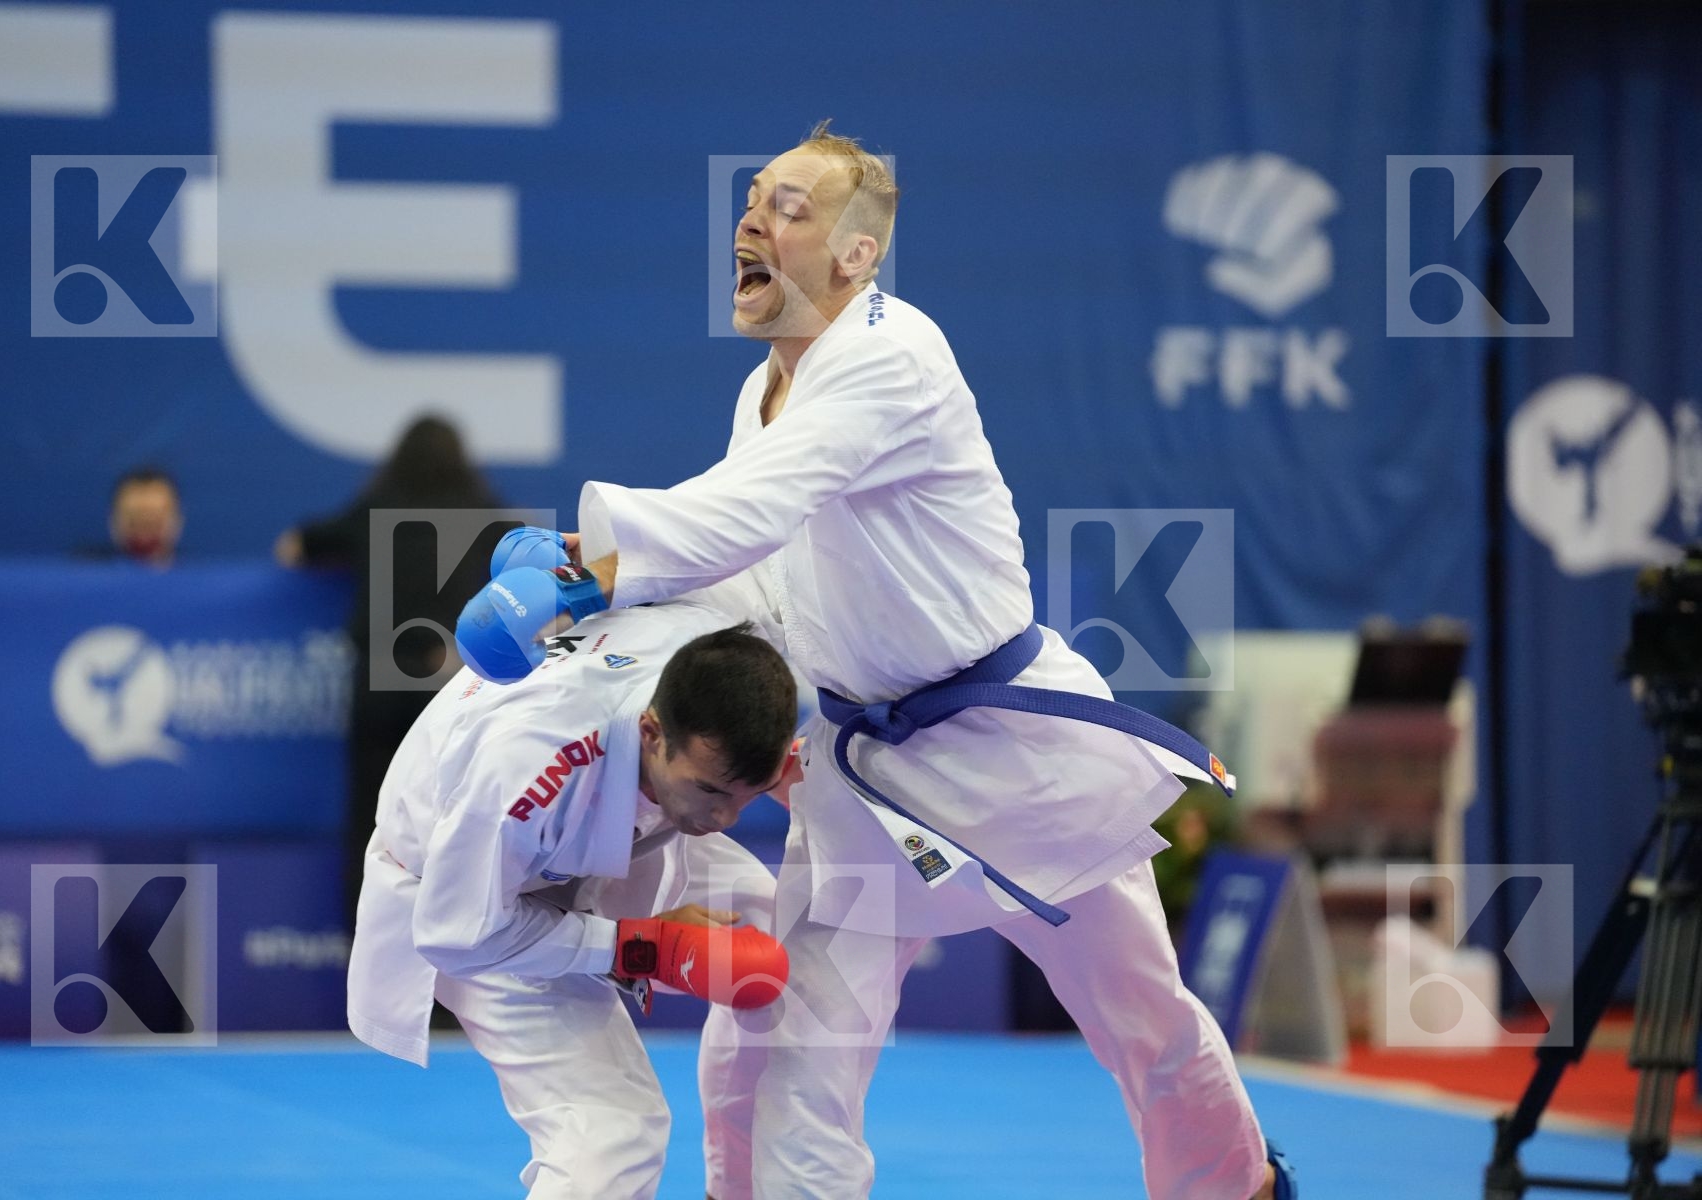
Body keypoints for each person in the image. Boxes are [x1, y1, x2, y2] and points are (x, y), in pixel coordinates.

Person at [461, 123, 1295, 1199]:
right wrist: (598, 601)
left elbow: (741, 511)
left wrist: (587, 567)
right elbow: (754, 569)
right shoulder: (763, 391)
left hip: (1012, 751)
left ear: (857, 255)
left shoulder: (892, 353)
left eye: (791, 207)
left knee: (1146, 1023)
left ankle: (1238, 1190)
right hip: (871, 777)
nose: (752, 220)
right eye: (753, 198)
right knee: (786, 1060)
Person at [348, 548, 799, 1200]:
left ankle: (744, 1189)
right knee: (612, 1132)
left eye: (744, 795)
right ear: (651, 731)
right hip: (474, 895)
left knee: (798, 944)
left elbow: (674, 543)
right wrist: (642, 946)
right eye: (710, 791)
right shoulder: (527, 770)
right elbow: (452, 933)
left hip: (614, 837)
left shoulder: (729, 634)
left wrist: (574, 568)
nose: (726, 819)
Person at [275, 414, 512, 924]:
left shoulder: (376, 508)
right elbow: (535, 570)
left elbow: (295, 547)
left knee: (374, 824)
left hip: (378, 687)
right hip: (452, 693)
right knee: (454, 827)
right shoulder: (489, 516)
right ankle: (451, 964)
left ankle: (367, 956)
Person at [101, 467, 183, 566]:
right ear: (113, 519)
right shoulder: (88, 575)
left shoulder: (199, 576)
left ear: (178, 518)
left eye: (155, 520)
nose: (145, 533)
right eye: (134, 520)